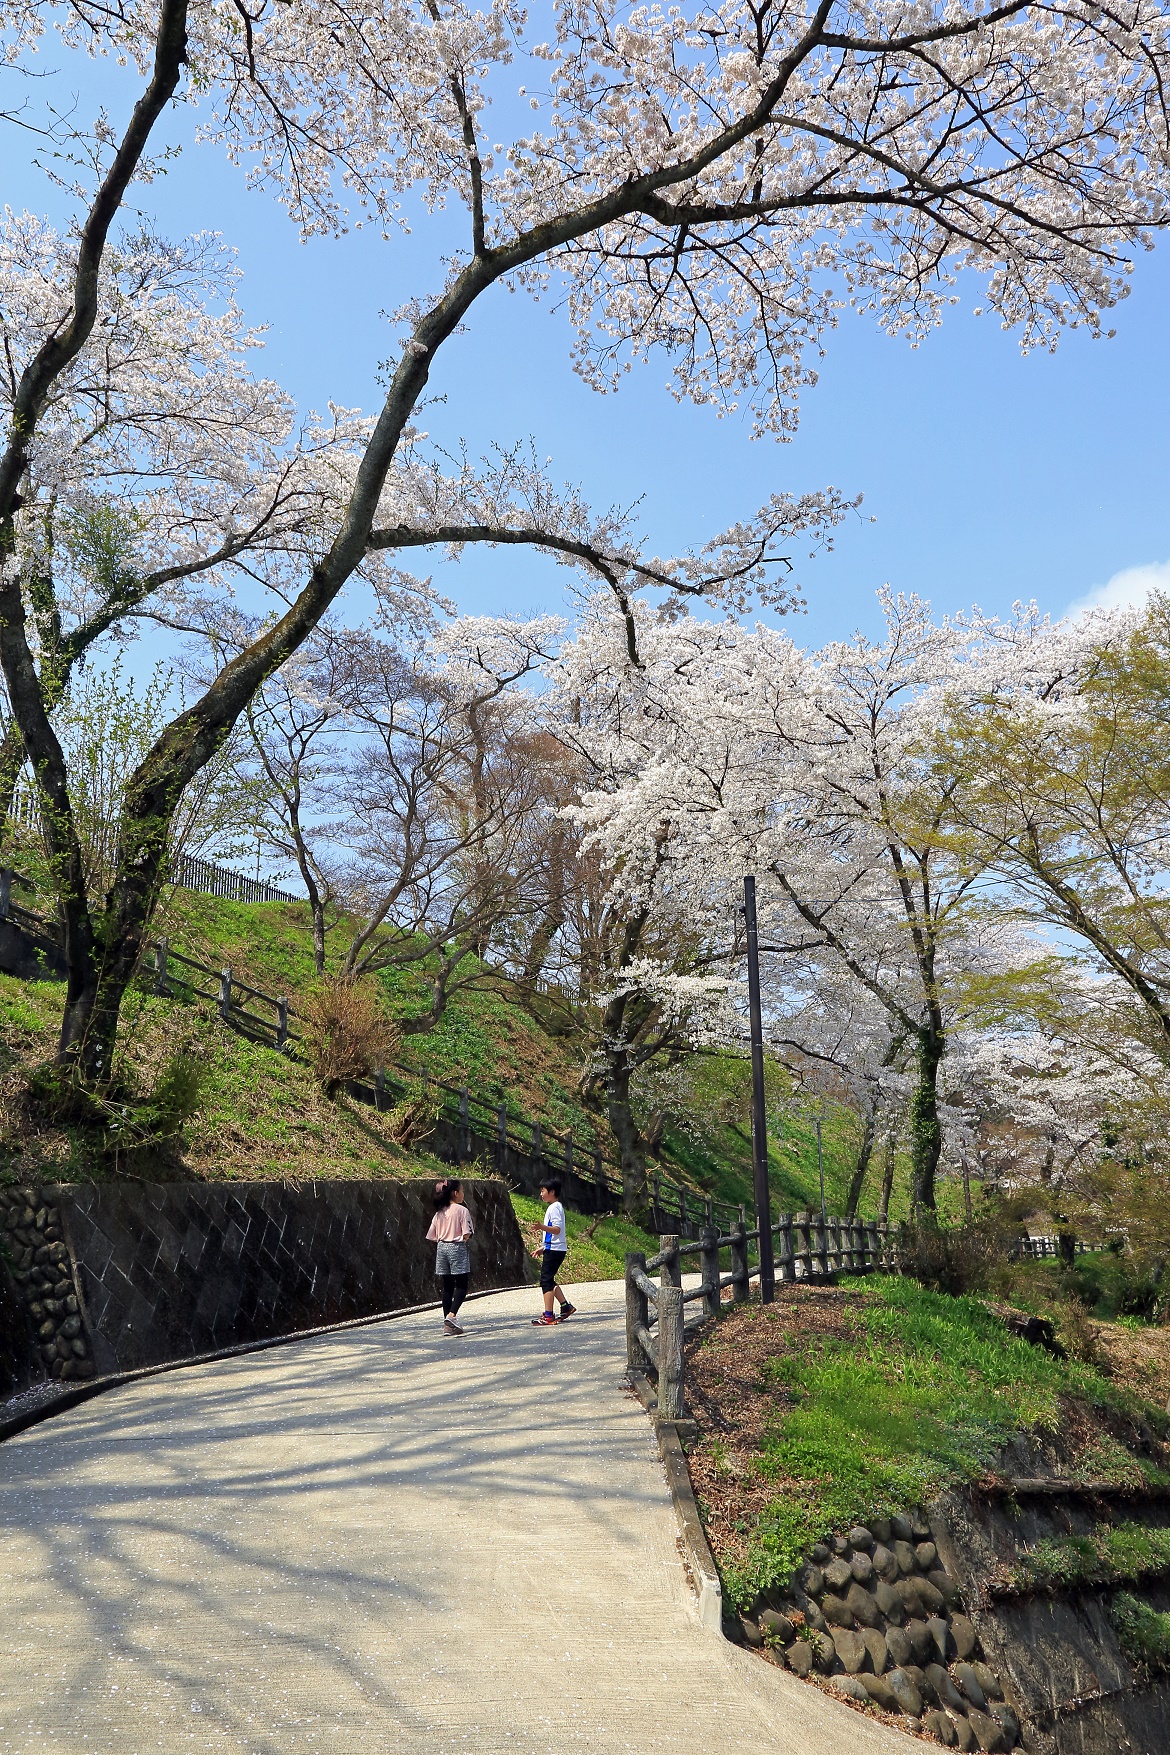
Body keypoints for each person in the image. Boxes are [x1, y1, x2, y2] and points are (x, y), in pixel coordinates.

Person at [426, 1178, 474, 1336]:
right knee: (461, 1285)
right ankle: (452, 1316)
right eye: (462, 1191)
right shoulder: (462, 1210)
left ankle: (447, 1325)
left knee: (447, 1286)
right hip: (456, 1246)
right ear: (455, 1193)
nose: (463, 1194)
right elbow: (467, 1233)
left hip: (441, 1248)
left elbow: (432, 1235)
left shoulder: (439, 1212)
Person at [532, 1178, 576, 1326]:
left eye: (543, 1191)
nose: (541, 1194)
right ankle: (566, 1306)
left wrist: (541, 1227)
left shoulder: (555, 1207)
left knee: (545, 1282)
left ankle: (549, 1315)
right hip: (553, 1248)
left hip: (555, 1250)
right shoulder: (554, 1207)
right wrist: (543, 1248)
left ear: (552, 1192)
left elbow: (557, 1230)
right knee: (549, 1280)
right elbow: (555, 1234)